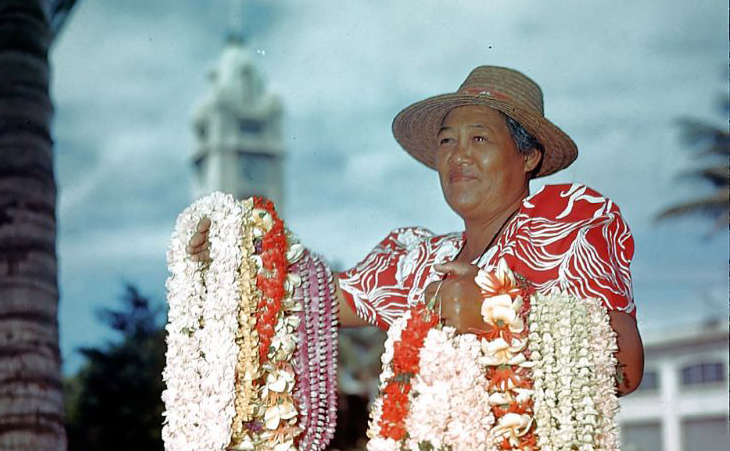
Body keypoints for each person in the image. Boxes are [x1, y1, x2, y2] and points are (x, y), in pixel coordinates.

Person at [188, 65, 644, 395]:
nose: (458, 156)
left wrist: (499, 317)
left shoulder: (569, 222)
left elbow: (625, 369)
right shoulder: (418, 260)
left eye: (479, 139)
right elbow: (311, 299)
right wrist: (239, 253)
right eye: (447, 141)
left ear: (529, 157)